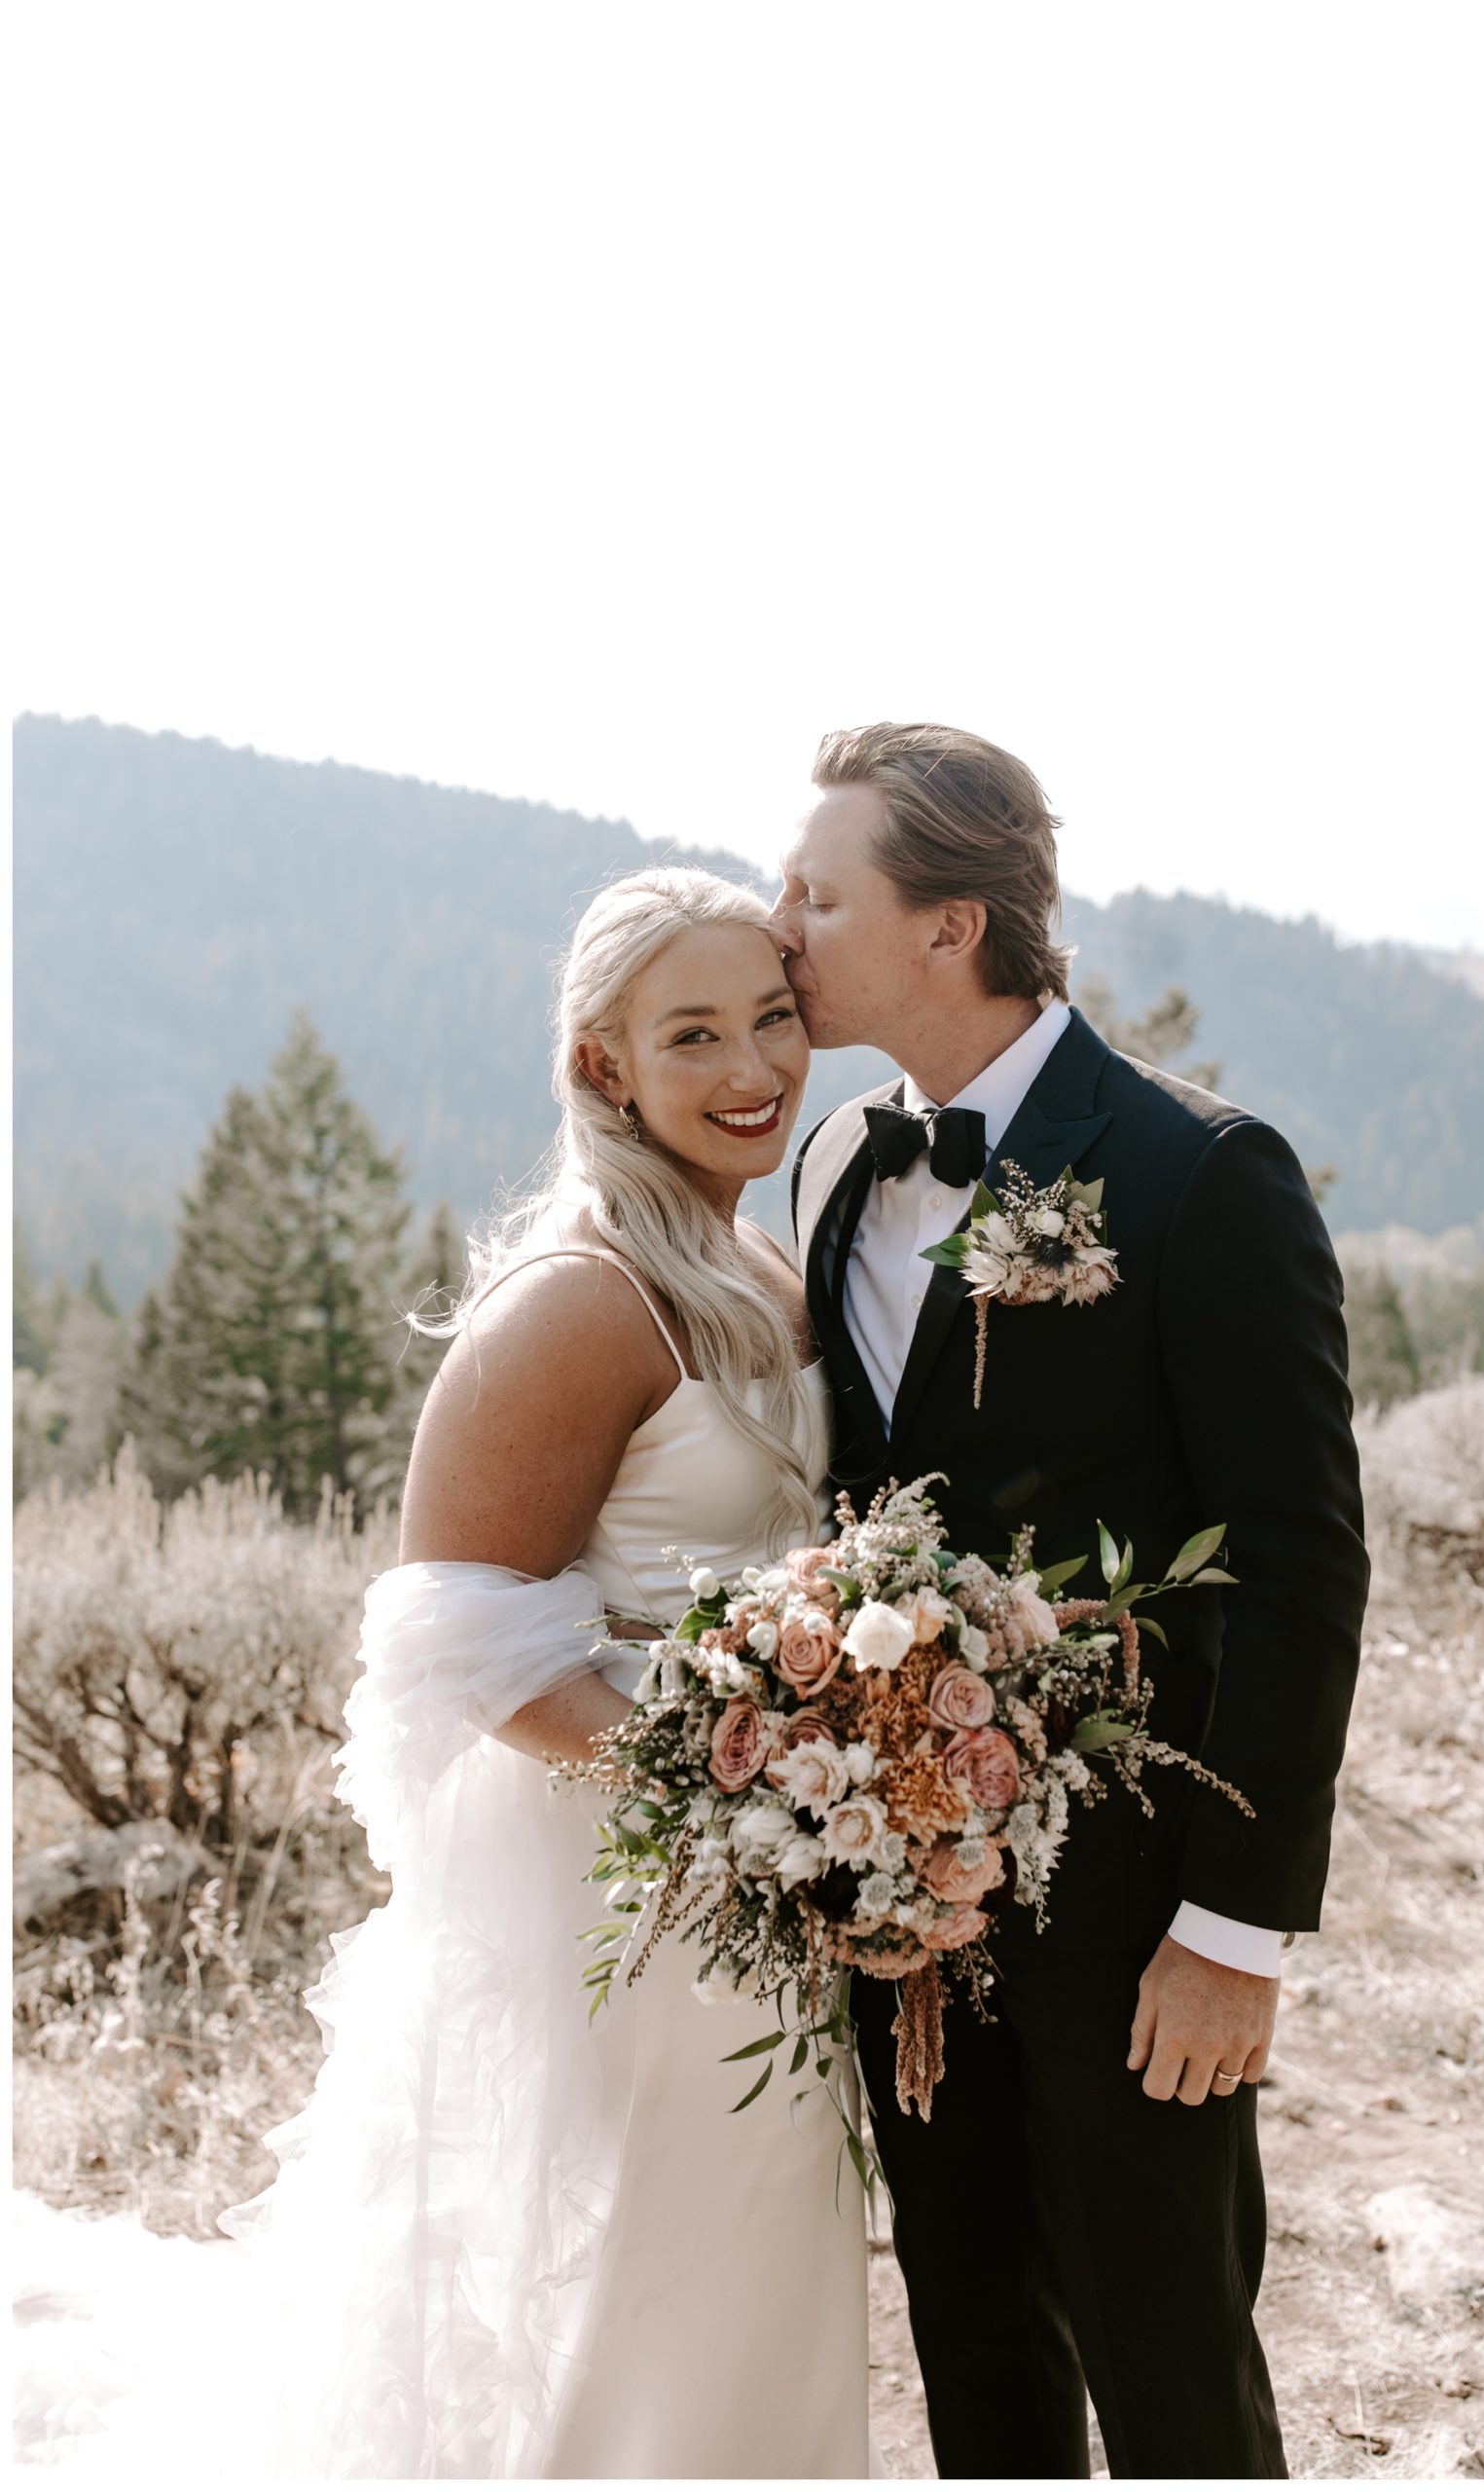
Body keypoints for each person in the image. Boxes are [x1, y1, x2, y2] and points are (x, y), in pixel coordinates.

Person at [220, 866, 872, 2479]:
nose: (751, 1072)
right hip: (632, 1880)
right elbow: (457, 1638)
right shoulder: (584, 1302)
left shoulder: (769, 1266)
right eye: (694, 1035)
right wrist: (716, 1810)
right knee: (649, 2255)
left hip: (768, 1866)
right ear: (606, 1069)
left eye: (775, 1020)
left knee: (748, 2251)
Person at [775, 723, 1371, 2480]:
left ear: (948, 925)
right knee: (974, 2351)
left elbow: (1301, 1562)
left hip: (1132, 1918)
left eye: (819, 892)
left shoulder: (1204, 1175)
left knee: (1173, 2372)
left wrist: (1237, 1931)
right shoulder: (835, 1169)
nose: (779, 924)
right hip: (903, 1901)